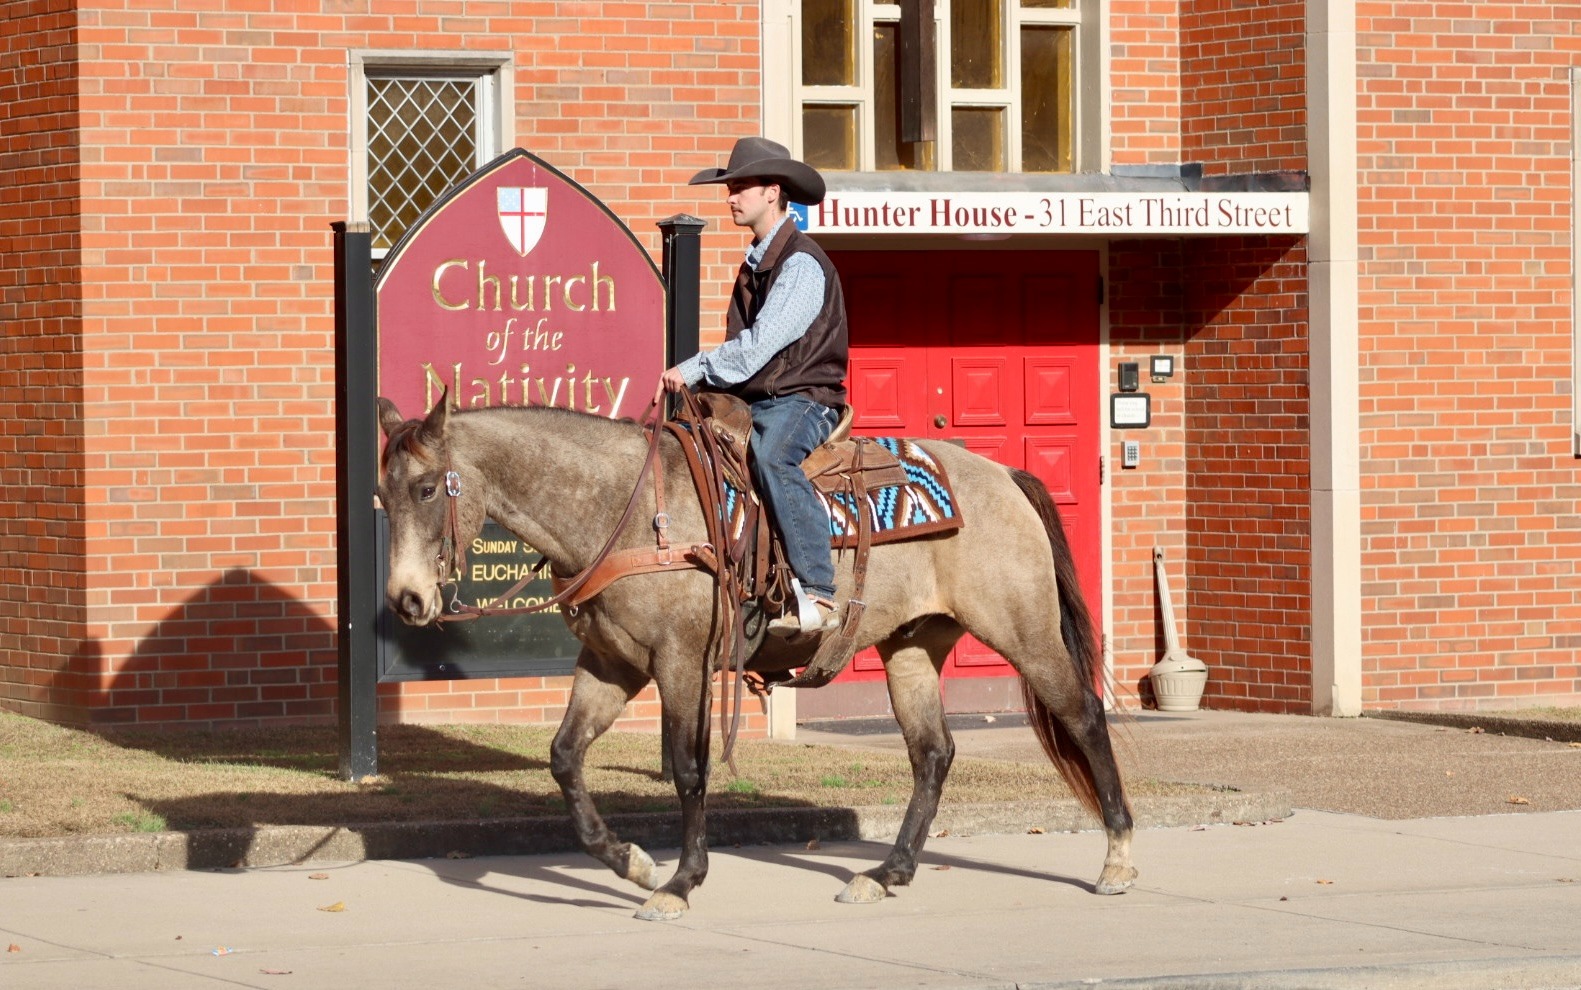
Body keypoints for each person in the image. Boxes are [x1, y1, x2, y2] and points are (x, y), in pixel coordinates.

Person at [656, 137, 849, 636]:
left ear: (772, 192)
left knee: (772, 458)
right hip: (761, 399)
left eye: (741, 187)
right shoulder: (757, 263)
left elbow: (757, 347)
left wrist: (693, 369)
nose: (731, 197)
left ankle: (820, 591)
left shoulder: (800, 263)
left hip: (803, 400)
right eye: (730, 187)